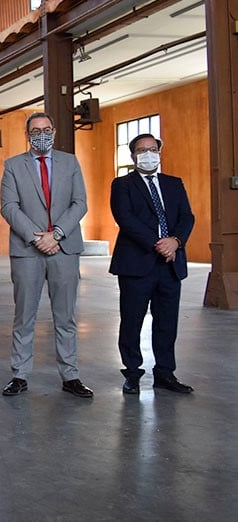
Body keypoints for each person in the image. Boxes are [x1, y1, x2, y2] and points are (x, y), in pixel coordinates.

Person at [0, 112, 92, 398]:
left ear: (54, 131)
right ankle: (19, 374)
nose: (42, 134)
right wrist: (37, 237)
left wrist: (58, 234)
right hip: (28, 250)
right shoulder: (13, 165)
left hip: (64, 248)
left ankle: (70, 375)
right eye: (35, 130)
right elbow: (9, 206)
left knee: (65, 316)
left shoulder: (70, 162)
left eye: (47, 129)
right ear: (27, 135)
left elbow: (80, 203)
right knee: (24, 315)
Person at [110, 133, 195, 395]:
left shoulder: (174, 184)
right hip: (137, 263)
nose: (148, 153)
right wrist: (159, 243)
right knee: (132, 320)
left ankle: (165, 373)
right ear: (133, 155)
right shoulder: (123, 184)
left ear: (159, 151)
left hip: (170, 264)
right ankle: (133, 373)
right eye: (141, 150)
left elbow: (186, 217)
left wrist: (176, 242)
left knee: (167, 322)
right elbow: (125, 218)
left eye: (152, 149)